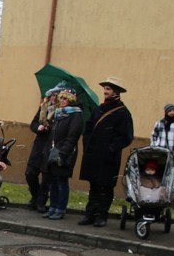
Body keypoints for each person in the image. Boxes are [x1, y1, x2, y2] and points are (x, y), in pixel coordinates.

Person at [79, 76, 134, 227]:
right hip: (94, 155)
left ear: (116, 92)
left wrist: (111, 148)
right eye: (105, 88)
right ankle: (90, 214)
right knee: (94, 186)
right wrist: (87, 143)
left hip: (108, 158)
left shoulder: (123, 113)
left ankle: (101, 216)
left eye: (108, 89)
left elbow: (126, 137)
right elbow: (88, 128)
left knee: (106, 187)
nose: (105, 91)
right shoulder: (99, 109)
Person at [43, 88, 84, 220]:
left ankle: (60, 208)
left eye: (65, 98)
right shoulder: (59, 114)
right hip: (54, 151)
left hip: (65, 153)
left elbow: (72, 137)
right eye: (61, 98)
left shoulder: (76, 116)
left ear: (71, 100)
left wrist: (63, 153)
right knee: (53, 180)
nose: (62, 101)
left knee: (61, 180)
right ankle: (53, 207)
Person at [25, 88, 59, 212]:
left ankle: (41, 202)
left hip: (51, 146)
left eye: (57, 96)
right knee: (30, 173)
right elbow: (33, 124)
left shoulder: (61, 112)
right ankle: (35, 196)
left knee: (46, 176)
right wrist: (38, 127)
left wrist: (50, 127)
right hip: (39, 145)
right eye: (52, 95)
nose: (54, 98)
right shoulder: (43, 108)